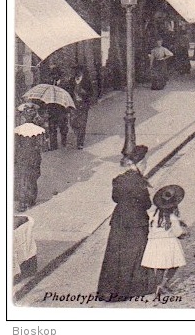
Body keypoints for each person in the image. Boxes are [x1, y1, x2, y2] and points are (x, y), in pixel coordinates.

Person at [98, 145, 156, 301]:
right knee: (136, 254)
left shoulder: (119, 180)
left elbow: (115, 198)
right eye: (144, 163)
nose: (145, 166)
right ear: (139, 164)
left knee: (116, 254)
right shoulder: (139, 182)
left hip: (120, 220)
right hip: (137, 221)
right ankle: (134, 288)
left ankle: (109, 289)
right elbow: (147, 204)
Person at [141, 185, 188, 296]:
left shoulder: (152, 214)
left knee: (160, 266)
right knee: (174, 264)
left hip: (154, 243)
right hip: (169, 243)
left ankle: (158, 286)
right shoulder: (172, 217)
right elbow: (178, 232)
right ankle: (164, 284)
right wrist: (184, 233)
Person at [14, 103, 44, 212]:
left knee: (22, 178)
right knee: (33, 177)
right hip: (34, 157)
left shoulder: (18, 130)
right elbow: (41, 145)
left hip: (22, 156)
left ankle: (22, 202)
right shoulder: (39, 130)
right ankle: (31, 199)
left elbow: (15, 145)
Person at [67, 65, 94, 149]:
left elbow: (92, 93)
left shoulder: (86, 81)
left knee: (82, 124)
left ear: (81, 72)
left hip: (83, 105)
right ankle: (78, 134)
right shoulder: (72, 80)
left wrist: (84, 92)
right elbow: (69, 92)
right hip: (74, 105)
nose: (76, 73)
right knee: (72, 123)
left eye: (77, 71)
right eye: (75, 71)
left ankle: (80, 143)